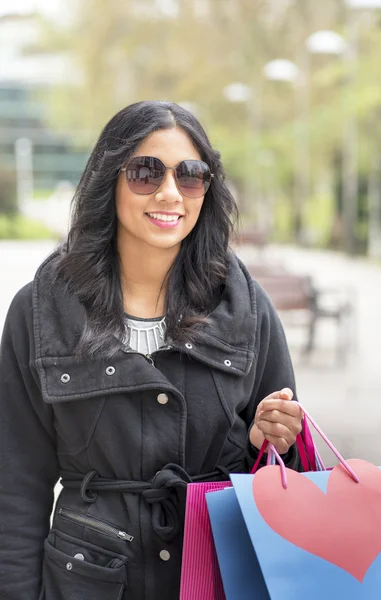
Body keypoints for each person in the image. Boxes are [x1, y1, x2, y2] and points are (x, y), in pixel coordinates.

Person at [0, 100, 303, 600]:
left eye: (190, 176)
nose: (169, 193)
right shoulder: (42, 310)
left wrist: (264, 439)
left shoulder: (245, 308)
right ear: (108, 180)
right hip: (86, 581)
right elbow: (15, 487)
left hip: (216, 578)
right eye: (145, 172)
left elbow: (284, 483)